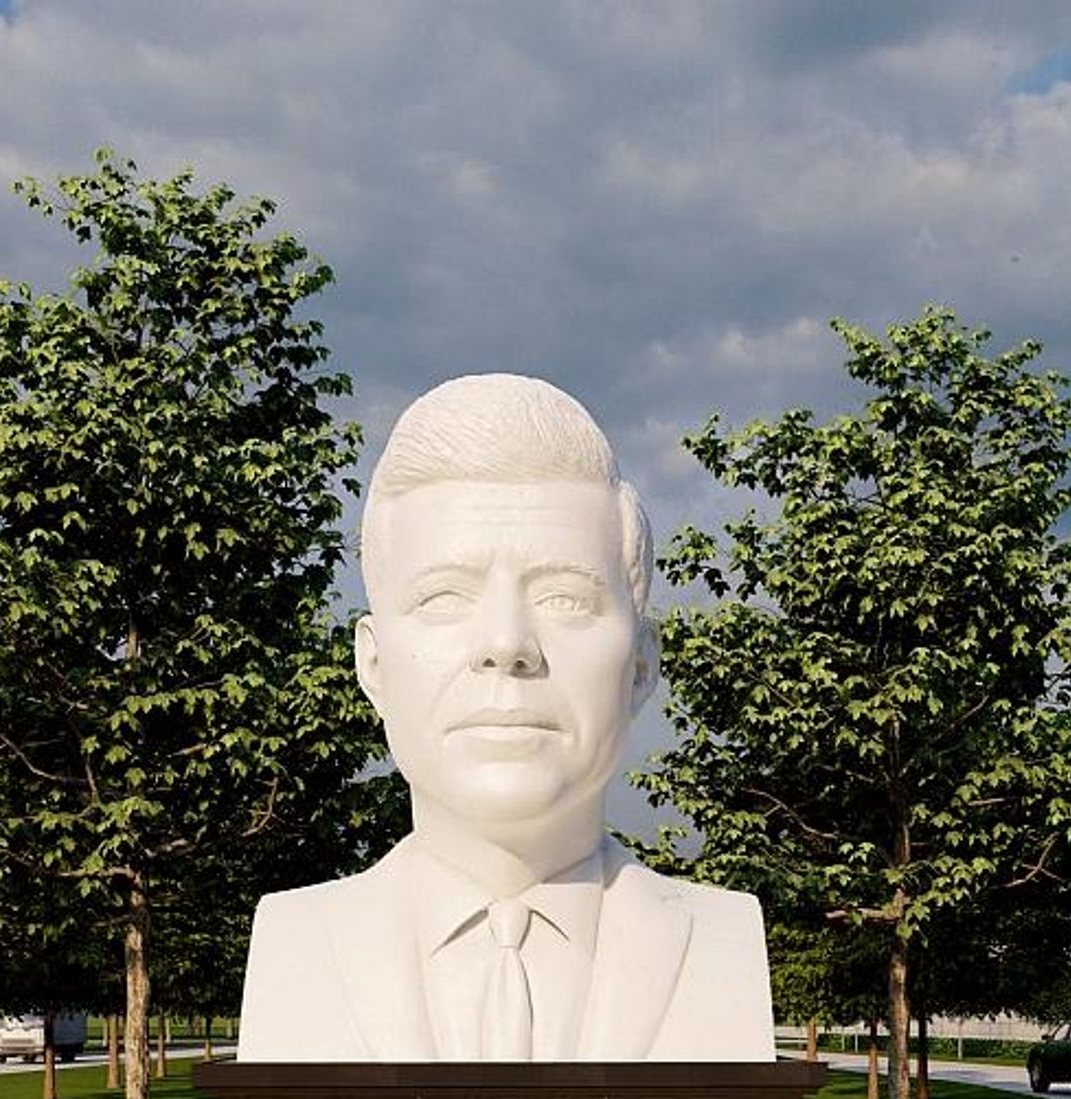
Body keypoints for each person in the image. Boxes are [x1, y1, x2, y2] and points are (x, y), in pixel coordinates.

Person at [236, 373, 773, 1062]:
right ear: (373, 665)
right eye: (442, 598)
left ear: (640, 666)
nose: (507, 645)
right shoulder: (296, 940)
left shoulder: (720, 938)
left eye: (566, 598)